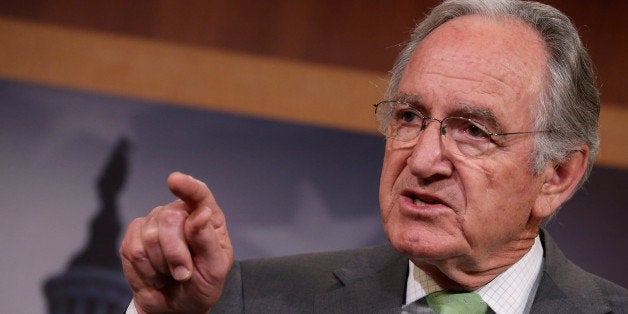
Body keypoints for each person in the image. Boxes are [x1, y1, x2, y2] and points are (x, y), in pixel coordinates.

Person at [120, 0, 628, 313]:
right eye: (409, 116)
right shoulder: (253, 301)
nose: (424, 160)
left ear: (557, 176)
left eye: (472, 130)